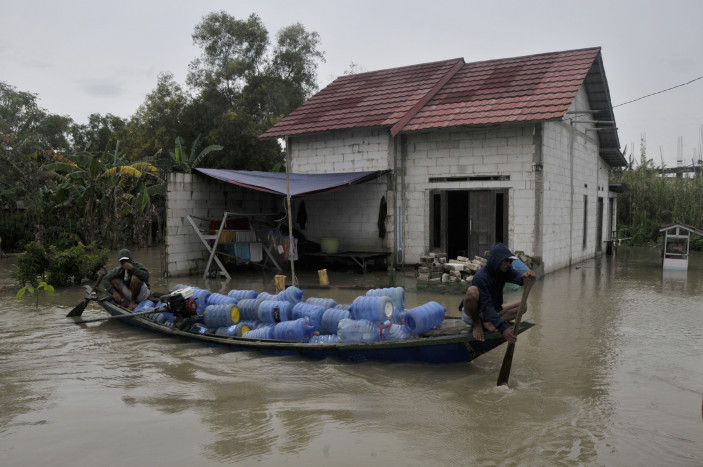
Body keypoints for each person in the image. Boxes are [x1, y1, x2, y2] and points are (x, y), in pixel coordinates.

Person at [459, 243, 536, 343]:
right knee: (472, 291)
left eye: (510, 261)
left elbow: (521, 280)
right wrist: (502, 328)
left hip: (491, 310)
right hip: (474, 314)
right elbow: (486, 305)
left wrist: (528, 276)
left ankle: (489, 322)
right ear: (497, 260)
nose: (509, 264)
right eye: (506, 261)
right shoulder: (481, 277)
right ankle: (478, 324)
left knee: (523, 306)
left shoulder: (504, 271)